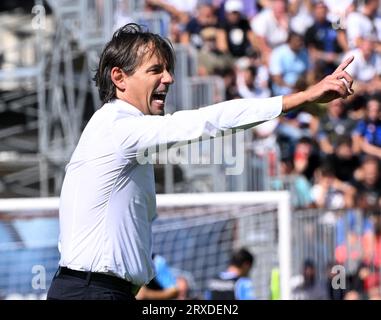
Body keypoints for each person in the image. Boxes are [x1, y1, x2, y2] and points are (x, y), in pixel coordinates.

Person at [47, 22, 354, 300]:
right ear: (119, 77)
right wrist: (299, 98)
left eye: (168, 69)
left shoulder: (119, 131)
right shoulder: (118, 126)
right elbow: (207, 121)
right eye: (155, 70)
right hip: (91, 293)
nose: (168, 78)